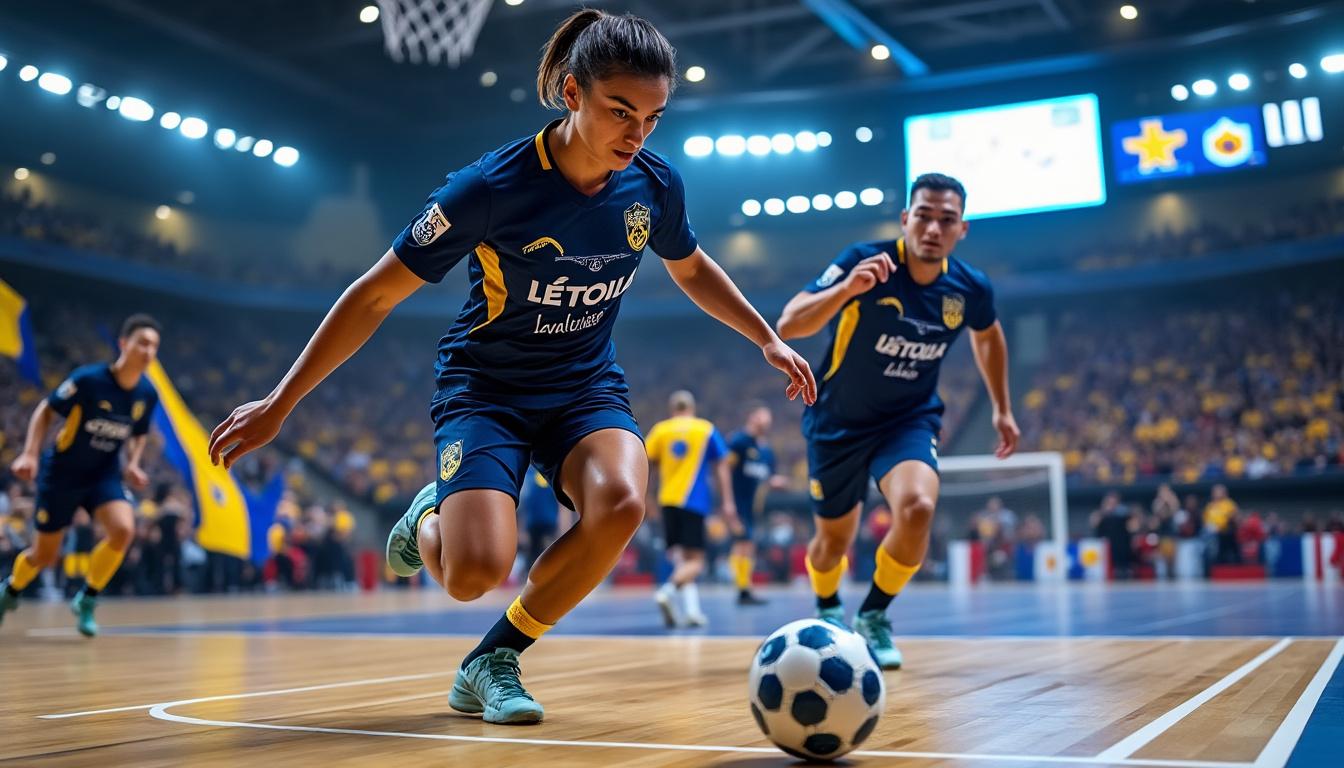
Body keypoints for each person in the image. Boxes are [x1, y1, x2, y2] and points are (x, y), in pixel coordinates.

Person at [208, 9, 815, 725]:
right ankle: (430, 513)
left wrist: (764, 337)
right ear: (570, 92)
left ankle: (493, 660)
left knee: (621, 504)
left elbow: (690, 267)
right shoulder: (487, 188)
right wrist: (281, 402)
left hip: (584, 388)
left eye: (652, 116)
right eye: (621, 111)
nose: (637, 133)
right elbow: (373, 294)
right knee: (472, 575)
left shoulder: (653, 185)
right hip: (485, 391)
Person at [776, 173, 1018, 669]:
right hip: (837, 420)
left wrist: (1002, 407)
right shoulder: (864, 259)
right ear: (906, 219)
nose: (933, 228)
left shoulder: (970, 287)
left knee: (917, 507)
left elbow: (988, 336)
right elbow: (789, 324)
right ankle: (827, 607)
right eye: (924, 215)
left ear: (961, 230)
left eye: (946, 220)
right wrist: (848, 287)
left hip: (908, 419)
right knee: (832, 544)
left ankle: (874, 615)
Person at [1, 314, 161, 636]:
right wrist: (30, 453)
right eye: (142, 342)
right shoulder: (89, 380)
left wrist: (133, 463)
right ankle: (10, 590)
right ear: (123, 344)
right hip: (62, 473)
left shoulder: (147, 394)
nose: (148, 351)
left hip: (104, 474)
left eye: (154, 346)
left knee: (123, 530)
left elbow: (139, 432)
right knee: (45, 556)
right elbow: (45, 410)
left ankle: (87, 599)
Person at [646, 390, 733, 628]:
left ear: (672, 408)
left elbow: (647, 465)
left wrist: (646, 498)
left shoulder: (660, 430)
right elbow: (721, 466)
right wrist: (727, 501)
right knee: (697, 562)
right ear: (692, 408)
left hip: (668, 501)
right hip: (694, 501)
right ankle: (667, 591)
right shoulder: (705, 429)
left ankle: (692, 612)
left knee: (683, 559)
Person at [725, 401, 789, 605]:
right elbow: (725, 469)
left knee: (749, 545)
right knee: (742, 543)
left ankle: (746, 587)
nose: (767, 420)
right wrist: (727, 503)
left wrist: (775, 481)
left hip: (755, 505)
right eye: (763, 415)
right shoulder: (739, 441)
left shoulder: (766, 451)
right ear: (752, 417)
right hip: (738, 501)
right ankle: (742, 589)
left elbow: (767, 476)